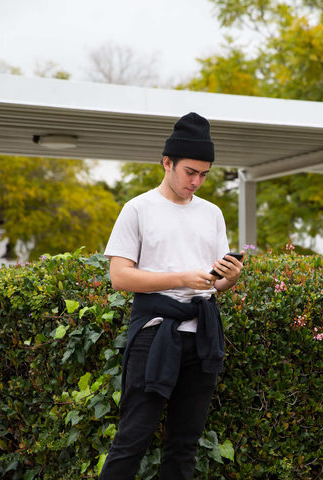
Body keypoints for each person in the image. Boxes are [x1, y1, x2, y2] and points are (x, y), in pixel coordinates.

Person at [99, 112, 243, 479]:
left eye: (203, 174)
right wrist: (180, 277)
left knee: (184, 444)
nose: (196, 181)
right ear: (167, 162)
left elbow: (215, 285)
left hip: (203, 336)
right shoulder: (138, 208)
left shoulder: (212, 214)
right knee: (133, 438)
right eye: (190, 172)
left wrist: (229, 278)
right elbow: (119, 277)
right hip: (155, 332)